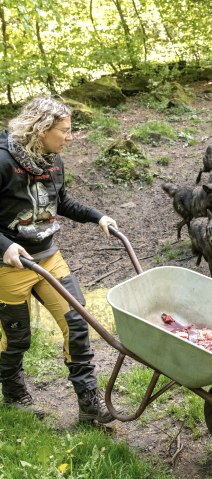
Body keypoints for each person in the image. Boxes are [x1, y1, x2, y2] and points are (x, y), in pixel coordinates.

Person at [0, 96, 117, 423]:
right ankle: (13, 393)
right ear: (40, 129)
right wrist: (3, 246)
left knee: (77, 322)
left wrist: (98, 217)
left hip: (48, 257)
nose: (69, 136)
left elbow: (60, 202)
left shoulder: (53, 161)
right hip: (9, 265)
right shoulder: (3, 162)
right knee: (16, 338)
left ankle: (90, 403)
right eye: (64, 130)